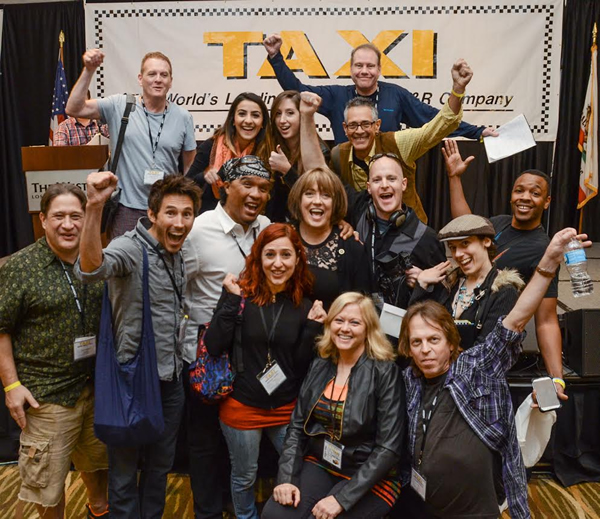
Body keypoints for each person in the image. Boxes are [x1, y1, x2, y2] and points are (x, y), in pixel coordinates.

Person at [398, 228, 590, 519]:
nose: (425, 349)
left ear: (451, 343)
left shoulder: (475, 366)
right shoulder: (409, 381)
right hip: (421, 504)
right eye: (417, 342)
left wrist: (549, 259)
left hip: (473, 509)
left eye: (433, 340)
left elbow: (516, 319)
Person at [74, 171, 201, 518]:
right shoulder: (131, 247)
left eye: (186, 214)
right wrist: (95, 208)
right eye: (171, 212)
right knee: (125, 475)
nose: (179, 222)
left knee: (160, 469)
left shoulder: (179, 250)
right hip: (133, 383)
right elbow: (90, 268)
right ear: (153, 213)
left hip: (170, 380)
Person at [203, 223, 327, 519]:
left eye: (286, 254)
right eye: (270, 254)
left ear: (298, 258)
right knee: (244, 476)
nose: (278, 263)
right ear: (258, 258)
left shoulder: (304, 304)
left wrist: (312, 328)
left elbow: (299, 366)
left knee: (294, 470)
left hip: (286, 408)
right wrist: (230, 302)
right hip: (242, 407)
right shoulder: (239, 294)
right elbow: (214, 345)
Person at [0, 184, 108, 519]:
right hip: (46, 398)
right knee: (47, 494)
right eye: (59, 216)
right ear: (43, 220)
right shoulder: (19, 267)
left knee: (99, 473)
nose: (68, 224)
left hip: (95, 391)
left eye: (76, 216)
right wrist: (11, 386)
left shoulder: (98, 259)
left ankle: (98, 511)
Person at [182, 156, 272, 518]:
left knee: (244, 439)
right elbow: (180, 291)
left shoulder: (266, 226)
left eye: (263, 188)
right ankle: (207, 511)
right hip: (208, 351)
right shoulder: (198, 231)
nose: (256, 194)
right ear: (225, 186)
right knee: (204, 442)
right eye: (247, 185)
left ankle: (240, 508)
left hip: (252, 350)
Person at [262, 292, 405, 519]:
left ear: (368, 328)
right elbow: (297, 426)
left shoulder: (385, 372)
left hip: (369, 474)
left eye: (355, 322)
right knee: (275, 514)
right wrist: (286, 479)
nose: (345, 328)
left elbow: (388, 449)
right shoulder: (321, 363)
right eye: (339, 320)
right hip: (323, 463)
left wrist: (341, 499)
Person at [444, 138, 567, 400]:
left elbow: (545, 320)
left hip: (490, 340)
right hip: (461, 322)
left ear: (546, 202)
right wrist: (455, 178)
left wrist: (557, 378)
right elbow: (464, 226)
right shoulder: (497, 223)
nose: (525, 197)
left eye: (535, 193)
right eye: (519, 190)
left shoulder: (542, 249)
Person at [263, 35, 495, 145]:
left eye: (370, 66)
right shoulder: (336, 96)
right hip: (347, 179)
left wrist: (477, 131)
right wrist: (275, 57)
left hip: (388, 181)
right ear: (351, 69)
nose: (365, 71)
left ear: (379, 69)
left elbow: (433, 119)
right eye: (359, 65)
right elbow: (297, 90)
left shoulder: (396, 95)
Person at [66, 49, 197, 238]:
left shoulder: (183, 117)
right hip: (126, 208)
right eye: (152, 74)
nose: (158, 79)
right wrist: (89, 70)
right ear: (140, 78)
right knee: (123, 265)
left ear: (170, 81)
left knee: (164, 264)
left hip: (166, 209)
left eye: (164, 75)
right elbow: (73, 108)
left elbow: (189, 167)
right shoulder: (120, 106)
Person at [327, 56, 474, 223]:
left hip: (410, 233)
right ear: (345, 129)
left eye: (365, 124)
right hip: (366, 234)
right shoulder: (338, 155)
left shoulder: (398, 143)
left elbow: (441, 126)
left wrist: (458, 89)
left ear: (377, 126)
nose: (359, 131)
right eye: (353, 125)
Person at [411, 214, 524, 350]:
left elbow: (486, 350)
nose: (458, 254)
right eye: (453, 247)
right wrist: (421, 285)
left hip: (471, 370)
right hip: (436, 368)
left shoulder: (504, 291)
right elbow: (416, 329)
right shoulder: (448, 284)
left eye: (465, 243)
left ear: (486, 241)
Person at [287, 167, 371, 309]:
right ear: (298, 199)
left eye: (326, 195)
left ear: (335, 203)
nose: (317, 201)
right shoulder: (282, 237)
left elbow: (363, 306)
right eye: (309, 194)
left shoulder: (351, 247)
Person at [186, 92, 273, 214]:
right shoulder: (210, 146)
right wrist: (204, 176)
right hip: (212, 220)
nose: (248, 120)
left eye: (255, 115)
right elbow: (185, 185)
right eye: (242, 114)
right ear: (233, 119)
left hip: (252, 220)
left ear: (263, 122)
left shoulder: (268, 153)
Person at [266, 90, 330, 222]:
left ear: (302, 116)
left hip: (308, 224)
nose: (282, 120)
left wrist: (287, 171)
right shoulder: (271, 146)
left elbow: (317, 196)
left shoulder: (320, 152)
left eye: (290, 113)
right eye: (278, 114)